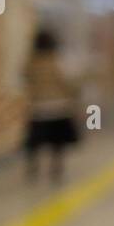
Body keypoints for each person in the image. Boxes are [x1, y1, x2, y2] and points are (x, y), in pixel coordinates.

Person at [22, 28, 79, 184]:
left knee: (35, 141)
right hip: (58, 107)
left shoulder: (31, 62)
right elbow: (67, 82)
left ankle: (33, 166)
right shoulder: (57, 61)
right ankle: (56, 168)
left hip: (38, 107)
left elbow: (25, 79)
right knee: (57, 141)